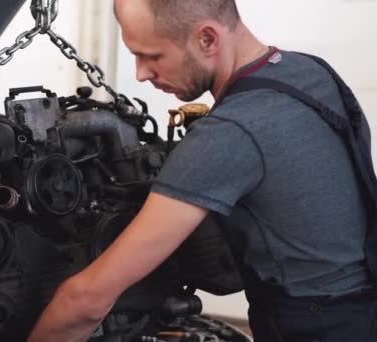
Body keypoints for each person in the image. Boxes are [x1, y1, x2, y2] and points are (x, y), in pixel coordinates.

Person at [27, 0, 376, 341]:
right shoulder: (311, 71)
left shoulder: (229, 134)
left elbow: (87, 301)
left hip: (316, 327)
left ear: (207, 39)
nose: (140, 73)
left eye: (152, 56)